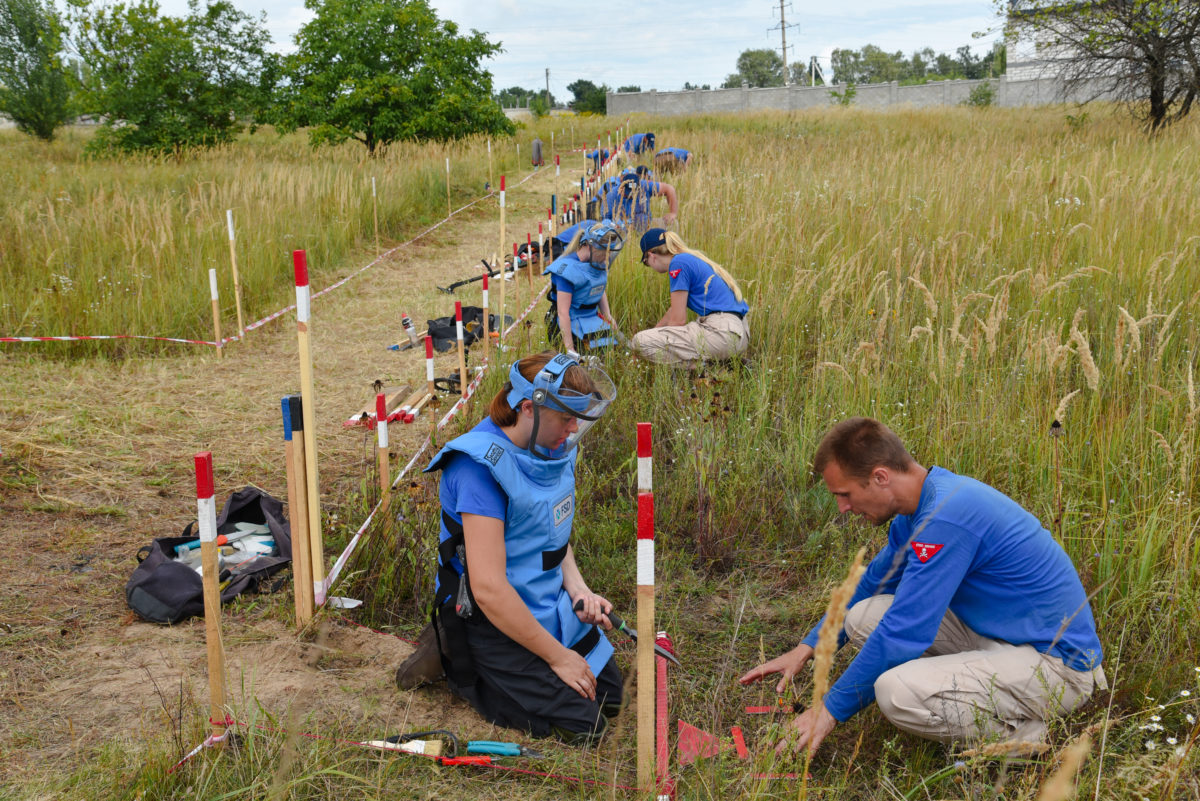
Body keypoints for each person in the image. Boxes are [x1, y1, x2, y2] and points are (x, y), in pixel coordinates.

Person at [739, 417, 1106, 753]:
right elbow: (872, 584)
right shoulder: (922, 507)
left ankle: (1030, 738)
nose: (842, 508)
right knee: (862, 616)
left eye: (845, 494)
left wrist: (828, 711)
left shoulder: (947, 519)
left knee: (896, 693)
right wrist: (807, 647)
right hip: (1000, 638)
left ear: (881, 477)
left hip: (1057, 667)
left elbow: (905, 631)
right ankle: (975, 692)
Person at [396, 351, 623, 743]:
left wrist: (578, 588)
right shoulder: (478, 469)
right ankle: (461, 663)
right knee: (586, 728)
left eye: (578, 418)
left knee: (611, 700)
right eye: (565, 418)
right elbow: (488, 589)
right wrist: (557, 657)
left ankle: (526, 666)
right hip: (489, 616)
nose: (572, 430)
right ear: (528, 408)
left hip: (541, 600)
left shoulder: (552, 447)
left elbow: (548, 530)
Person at [632, 228, 749, 367]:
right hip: (739, 334)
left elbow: (678, 321)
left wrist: (649, 344)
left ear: (651, 256)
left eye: (646, 262)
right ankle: (724, 364)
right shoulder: (689, 259)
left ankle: (710, 368)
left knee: (639, 342)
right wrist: (654, 332)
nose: (649, 266)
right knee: (654, 338)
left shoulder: (678, 264)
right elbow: (673, 311)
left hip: (722, 333)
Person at [543, 220, 626, 355]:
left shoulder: (596, 262)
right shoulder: (567, 270)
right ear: (588, 245)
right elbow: (563, 313)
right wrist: (570, 349)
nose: (606, 257)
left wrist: (608, 315)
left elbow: (598, 287)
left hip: (592, 319)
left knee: (613, 351)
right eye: (603, 252)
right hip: (569, 323)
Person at [605, 173, 678, 231]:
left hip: (648, 225)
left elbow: (669, 189)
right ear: (622, 186)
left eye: (634, 192)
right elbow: (605, 220)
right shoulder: (611, 195)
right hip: (623, 230)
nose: (631, 196)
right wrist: (617, 226)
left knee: (673, 223)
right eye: (628, 192)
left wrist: (673, 213)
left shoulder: (645, 186)